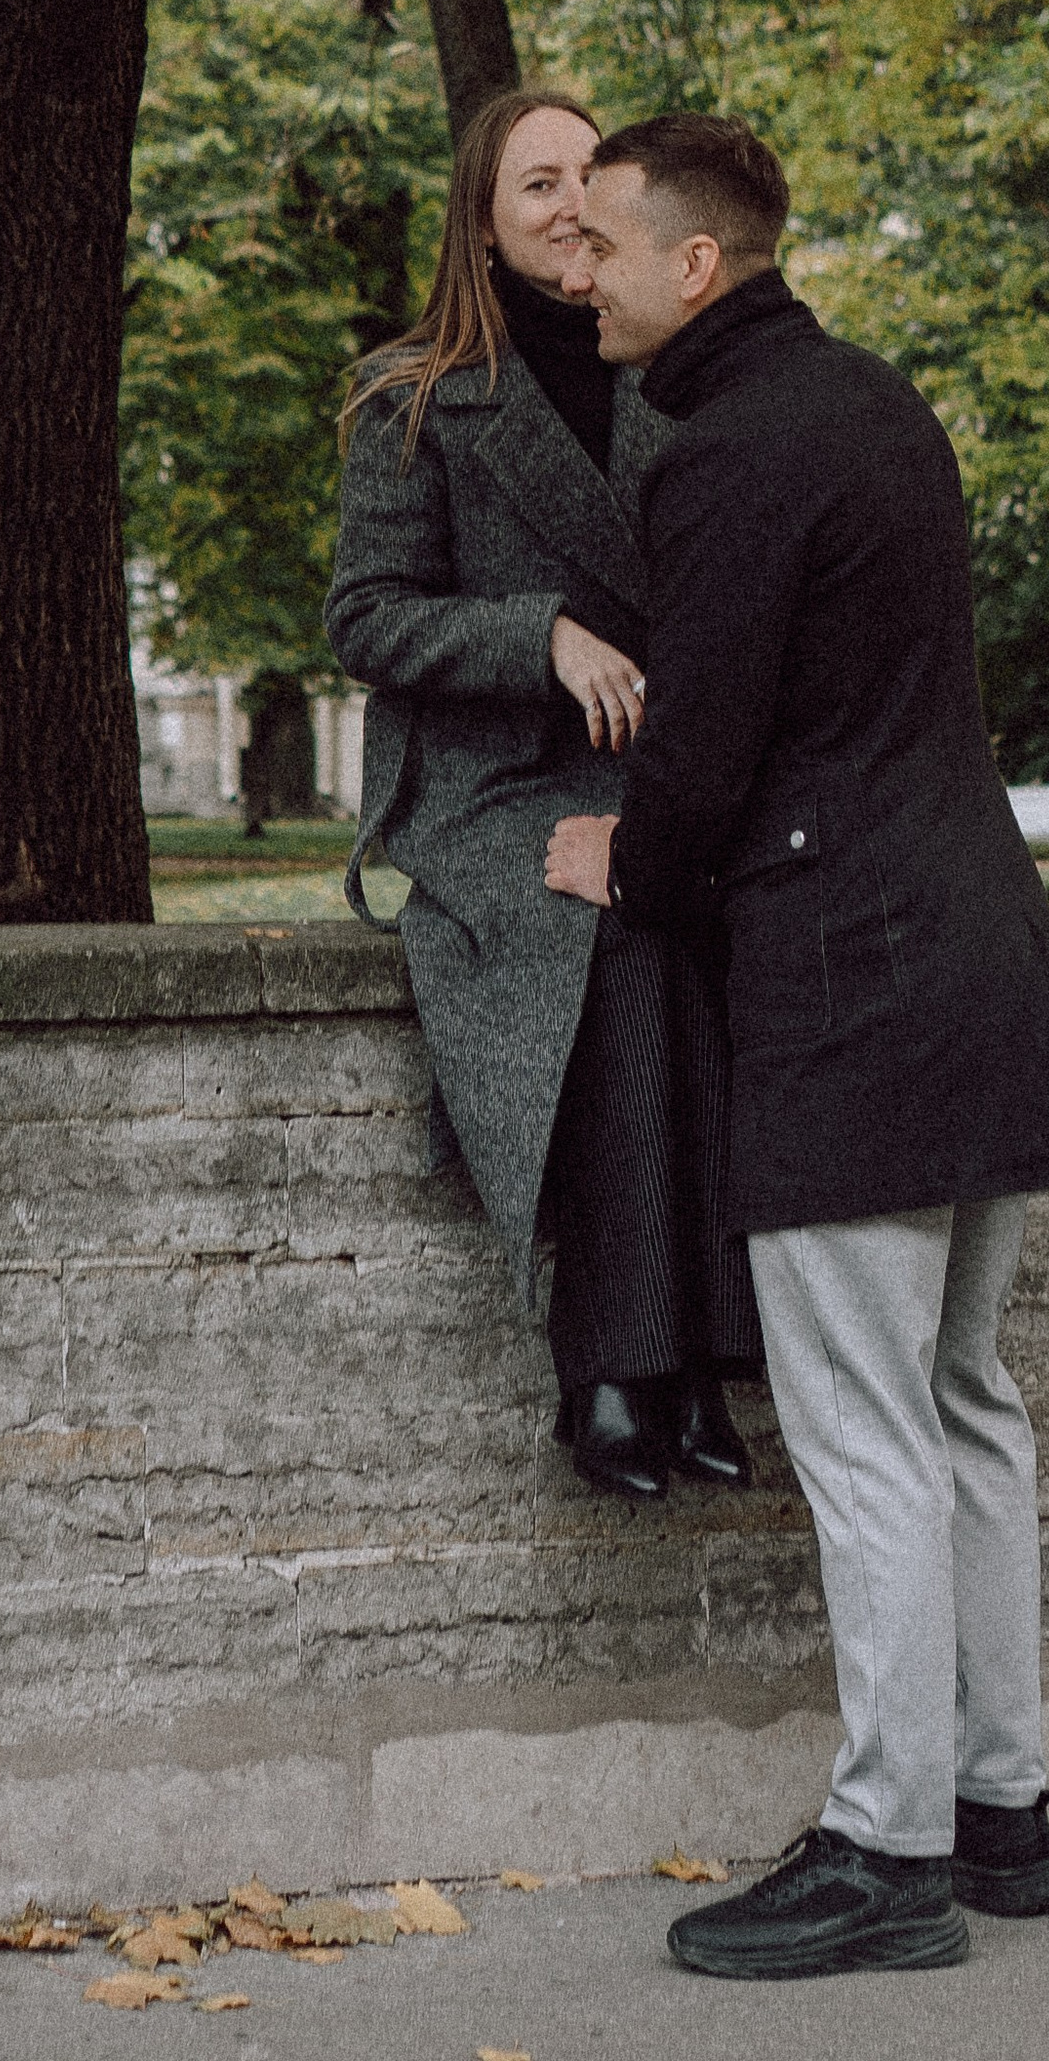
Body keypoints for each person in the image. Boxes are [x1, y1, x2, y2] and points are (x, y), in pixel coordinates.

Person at [545, 114, 1049, 1981]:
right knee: (968, 1403)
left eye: (605, 243)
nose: (581, 272)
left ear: (695, 262)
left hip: (854, 990)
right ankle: (1002, 1811)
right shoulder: (878, 408)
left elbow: (703, 756)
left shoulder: (728, 454)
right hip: (984, 958)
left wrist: (625, 863)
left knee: (867, 1433)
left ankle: (887, 1848)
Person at [325, 86, 761, 1503]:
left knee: (708, 913)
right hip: (489, 781)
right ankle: (617, 1369)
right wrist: (541, 637)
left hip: (643, 759)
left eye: (588, 172)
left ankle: (703, 1354)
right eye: (536, 183)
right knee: (608, 924)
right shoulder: (414, 395)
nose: (571, 203)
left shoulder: (668, 371)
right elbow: (365, 616)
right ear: (482, 225)